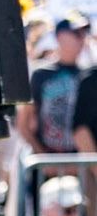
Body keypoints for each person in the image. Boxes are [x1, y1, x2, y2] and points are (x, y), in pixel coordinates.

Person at [17, 15, 88, 157]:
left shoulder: (88, 76)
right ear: (59, 36)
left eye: (83, 34)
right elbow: (23, 123)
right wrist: (42, 157)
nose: (81, 39)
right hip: (47, 163)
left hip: (81, 164)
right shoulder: (41, 74)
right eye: (75, 33)